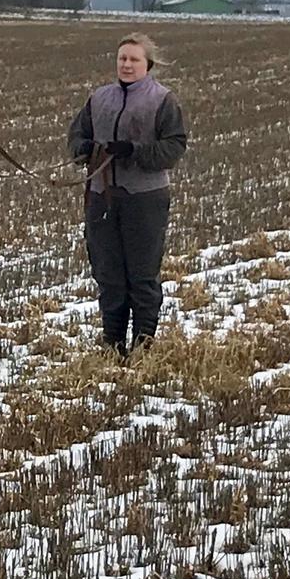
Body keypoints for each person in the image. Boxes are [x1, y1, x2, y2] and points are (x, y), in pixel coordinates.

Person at [67, 33, 188, 358]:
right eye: (122, 58)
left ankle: (144, 344)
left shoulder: (163, 100)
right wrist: (84, 149)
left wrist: (134, 151)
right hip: (100, 196)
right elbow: (77, 135)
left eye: (134, 59)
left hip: (144, 198)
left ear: (147, 64)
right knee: (107, 272)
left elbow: (174, 147)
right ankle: (113, 342)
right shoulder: (98, 98)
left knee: (142, 274)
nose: (127, 64)